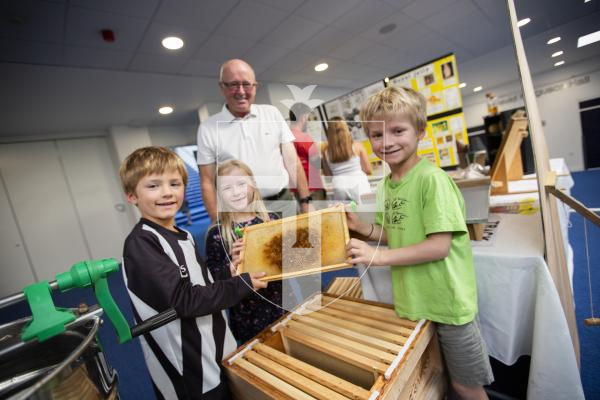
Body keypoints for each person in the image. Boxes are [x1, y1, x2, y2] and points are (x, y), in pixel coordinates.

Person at [347, 86, 493, 400]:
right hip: (415, 300)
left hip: (447, 302)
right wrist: (363, 228)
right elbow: (399, 233)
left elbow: (438, 246)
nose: (386, 142)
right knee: (435, 375)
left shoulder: (432, 180)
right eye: (376, 135)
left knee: (465, 385)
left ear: (420, 132)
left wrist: (379, 257)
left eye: (398, 130)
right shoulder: (388, 183)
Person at [119, 146, 267, 400]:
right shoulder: (142, 244)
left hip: (215, 351)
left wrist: (227, 274)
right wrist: (241, 285)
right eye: (153, 186)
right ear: (132, 195)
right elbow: (184, 301)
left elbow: (200, 281)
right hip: (190, 373)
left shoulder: (183, 234)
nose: (167, 192)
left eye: (174, 183)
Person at [197, 59, 312, 222]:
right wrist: (218, 222)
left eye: (246, 84)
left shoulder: (272, 114)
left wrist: (306, 200)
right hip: (242, 214)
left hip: (283, 204)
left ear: (255, 86)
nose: (241, 91)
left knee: (296, 248)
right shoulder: (208, 128)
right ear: (222, 87)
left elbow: (293, 163)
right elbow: (207, 182)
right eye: (233, 84)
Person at [205, 159, 286, 343]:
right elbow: (212, 281)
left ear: (253, 185)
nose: (236, 192)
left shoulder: (271, 220)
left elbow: (289, 264)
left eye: (241, 183)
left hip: (279, 305)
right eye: (227, 188)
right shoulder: (216, 234)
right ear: (219, 194)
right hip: (246, 318)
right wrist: (231, 265)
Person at [322, 116, 372, 203]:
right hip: (358, 183)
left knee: (347, 215)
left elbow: (328, 174)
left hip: (339, 186)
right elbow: (368, 170)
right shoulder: (357, 146)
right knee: (365, 213)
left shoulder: (326, 151)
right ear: (345, 128)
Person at [289, 102, 327, 204]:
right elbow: (317, 163)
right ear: (303, 117)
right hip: (312, 189)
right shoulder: (304, 138)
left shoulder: (285, 138)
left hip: (297, 190)